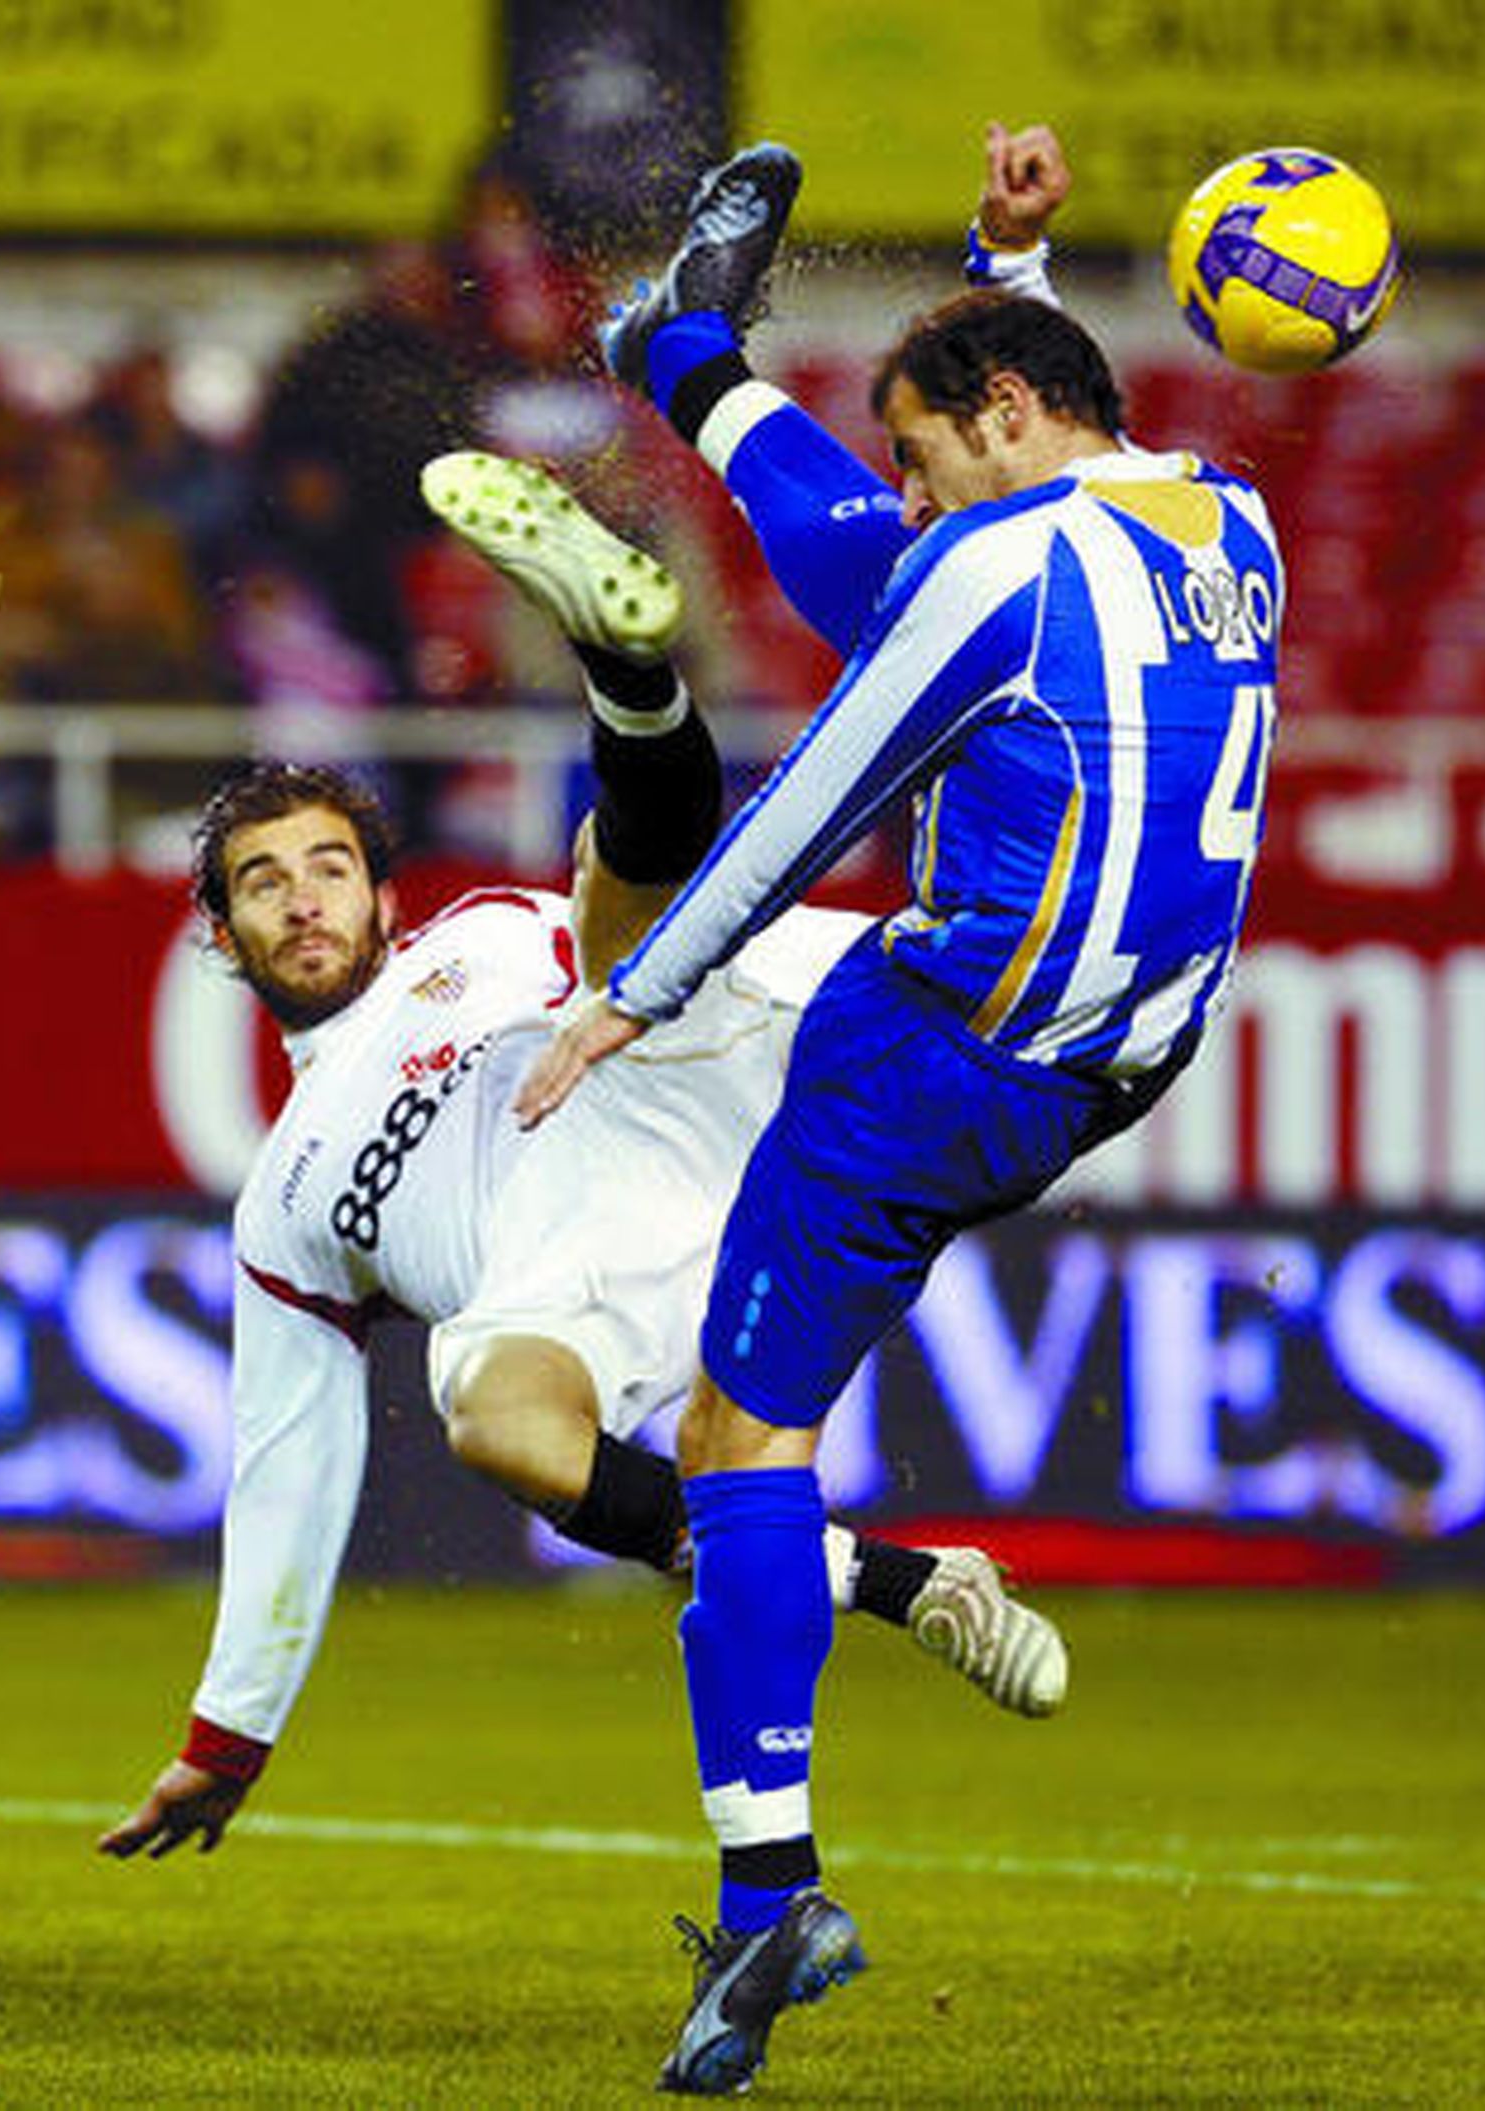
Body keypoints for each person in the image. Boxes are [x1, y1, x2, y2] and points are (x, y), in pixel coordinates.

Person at [518, 123, 1283, 2095]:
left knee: (731, 1443)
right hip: (1121, 1057)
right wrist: (1003, 267)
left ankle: (766, 1897)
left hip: (935, 1051)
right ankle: (682, 346)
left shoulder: (991, 570)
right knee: (878, 573)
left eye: (926, 448)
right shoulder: (1231, 524)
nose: (917, 493)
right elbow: (1031, 477)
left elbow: (810, 808)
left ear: (1002, 420)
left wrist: (627, 997)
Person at [98, 447, 1069, 1866]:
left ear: (379, 888)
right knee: (488, 1413)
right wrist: (225, 1739)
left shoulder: (480, 937)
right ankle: (908, 1587)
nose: (300, 900)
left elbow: (705, 946)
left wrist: (897, 966)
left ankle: (629, 667)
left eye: (325, 866)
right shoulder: (281, 1203)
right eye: (261, 883)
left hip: (660, 1095)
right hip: (577, 1296)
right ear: (225, 937)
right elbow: (286, 1466)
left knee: (617, 901)